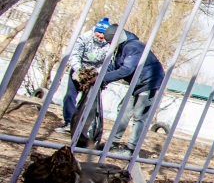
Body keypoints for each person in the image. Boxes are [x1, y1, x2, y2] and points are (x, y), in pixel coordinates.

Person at [101, 24, 165, 156]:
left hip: (150, 82)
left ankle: (131, 149)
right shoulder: (121, 49)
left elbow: (126, 70)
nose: (109, 45)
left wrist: (102, 79)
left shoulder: (133, 47)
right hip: (137, 83)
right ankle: (113, 143)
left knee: (139, 115)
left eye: (109, 42)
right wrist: (100, 77)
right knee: (123, 110)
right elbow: (114, 67)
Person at [56, 17, 111, 133]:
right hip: (79, 70)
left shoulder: (109, 44)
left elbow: (107, 61)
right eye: (99, 32)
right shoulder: (84, 38)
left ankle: (82, 126)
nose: (101, 36)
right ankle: (69, 122)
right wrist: (79, 71)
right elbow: (75, 55)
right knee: (70, 96)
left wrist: (98, 74)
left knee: (88, 100)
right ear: (95, 30)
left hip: (94, 75)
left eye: (104, 34)